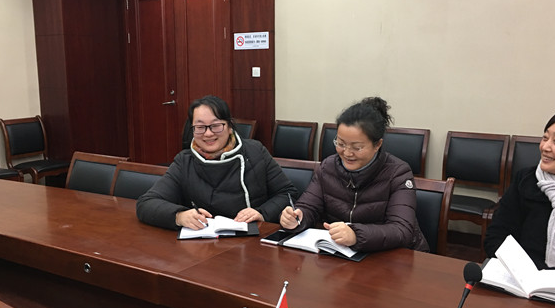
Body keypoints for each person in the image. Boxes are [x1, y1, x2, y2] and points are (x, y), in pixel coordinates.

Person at [279, 97, 429, 253]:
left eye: (357, 148)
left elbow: (401, 230)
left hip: (394, 257)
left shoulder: (398, 173)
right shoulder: (327, 167)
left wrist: (356, 235)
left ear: (377, 145)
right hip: (346, 255)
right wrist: (297, 218)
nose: (347, 153)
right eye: (341, 144)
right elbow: (309, 206)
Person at [136, 95, 297, 230]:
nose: (208, 134)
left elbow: (288, 193)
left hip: (253, 240)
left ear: (229, 126)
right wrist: (180, 216)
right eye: (200, 127)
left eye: (216, 126)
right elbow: (146, 203)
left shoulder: (255, 152)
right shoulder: (184, 161)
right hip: (203, 245)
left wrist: (262, 213)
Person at [484, 106, 555, 269]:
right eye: (545, 138)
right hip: (522, 276)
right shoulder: (526, 180)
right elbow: (496, 237)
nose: (545, 147)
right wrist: (527, 273)